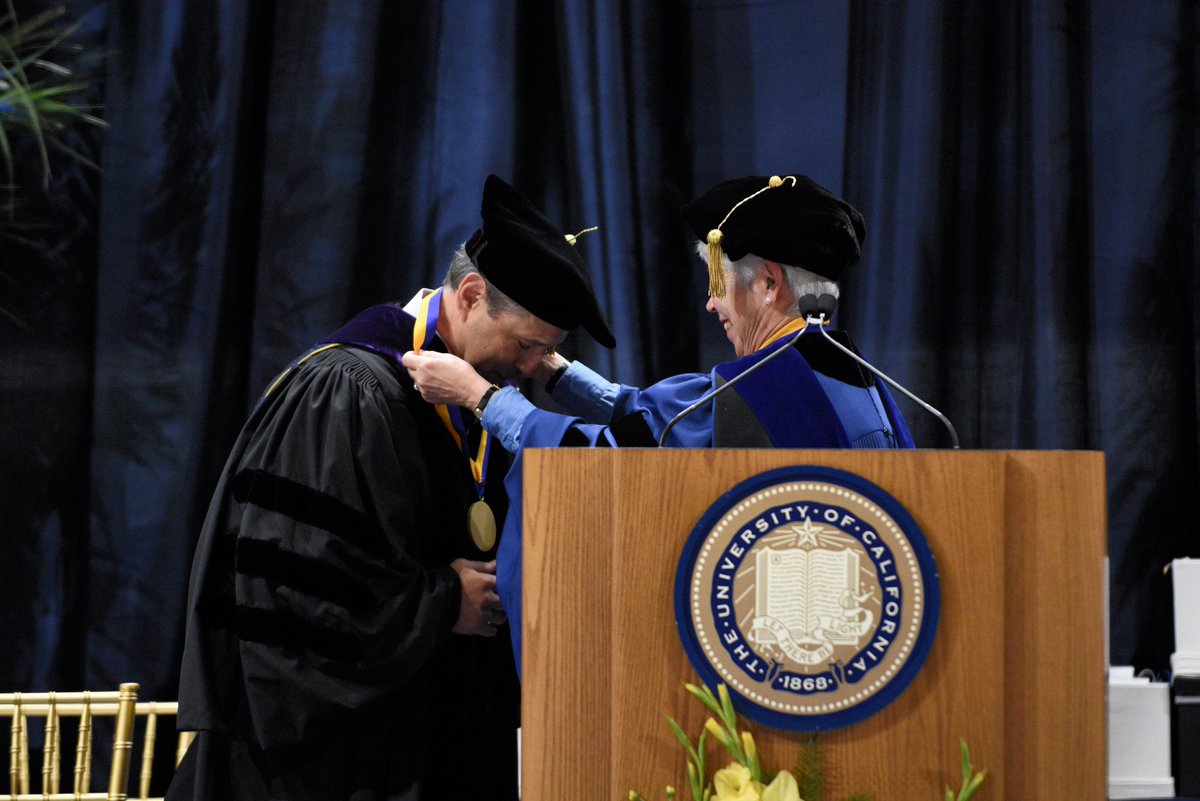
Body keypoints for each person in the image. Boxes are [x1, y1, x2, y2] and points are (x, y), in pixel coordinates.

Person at [167, 174, 614, 801]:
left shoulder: (472, 402)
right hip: (322, 769)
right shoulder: (346, 390)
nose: (533, 370)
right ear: (470, 294)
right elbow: (295, 590)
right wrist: (439, 603)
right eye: (526, 346)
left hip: (428, 742)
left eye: (548, 354)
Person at [402, 174, 914, 673]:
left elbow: (605, 458)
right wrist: (556, 371)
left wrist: (481, 397)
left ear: (768, 282)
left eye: (719, 282)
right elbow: (654, 417)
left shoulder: (761, 392)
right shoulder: (857, 384)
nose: (712, 303)